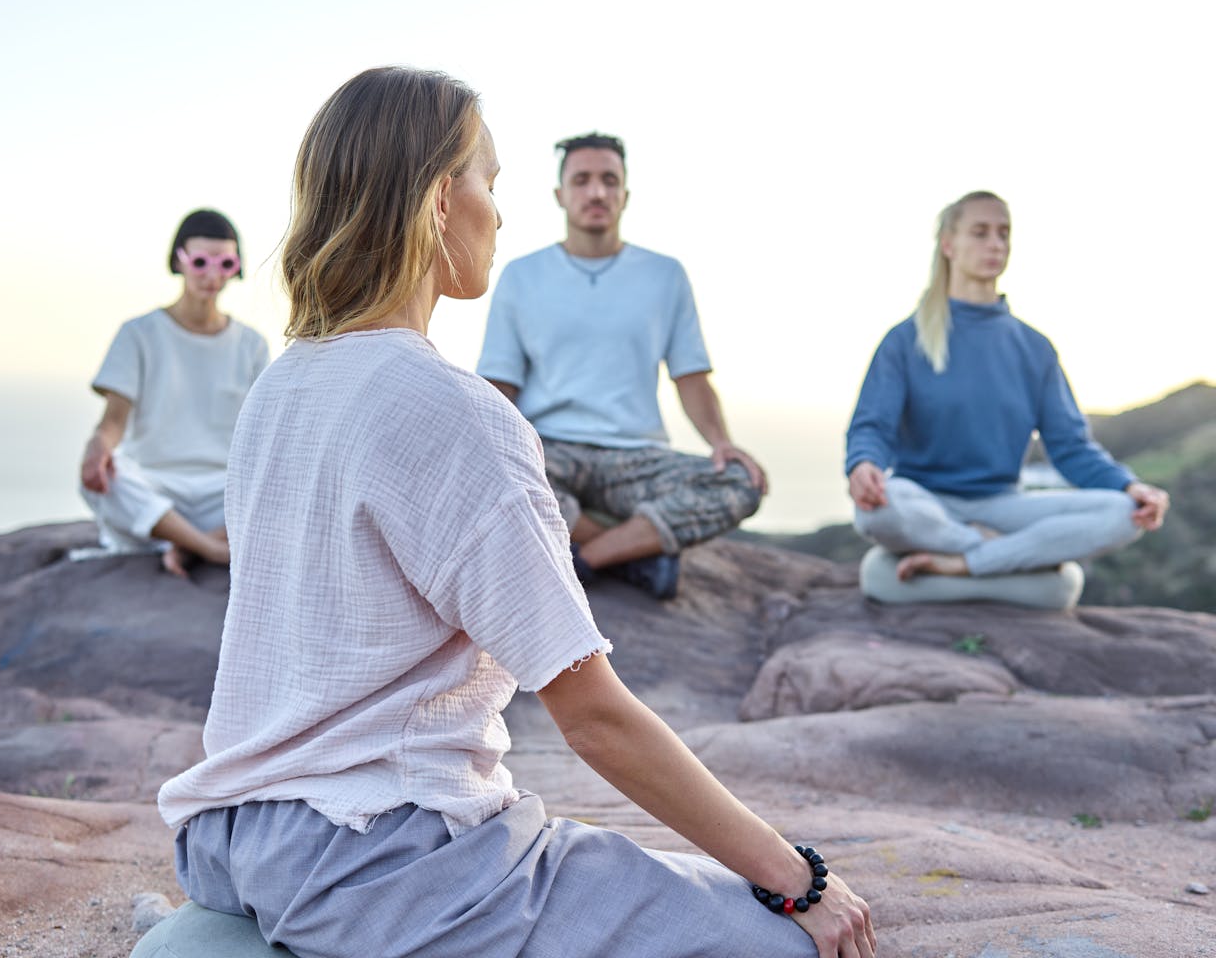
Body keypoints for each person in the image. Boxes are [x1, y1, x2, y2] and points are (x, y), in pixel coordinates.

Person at [155, 67, 875, 958]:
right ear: (436, 202)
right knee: (794, 944)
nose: (501, 210)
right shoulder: (450, 410)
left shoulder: (279, 386)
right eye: (489, 182)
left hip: (236, 840)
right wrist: (798, 877)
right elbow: (594, 718)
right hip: (384, 862)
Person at [475, 132, 765, 600]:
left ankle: (587, 557)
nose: (596, 192)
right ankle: (638, 552)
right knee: (496, 474)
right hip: (552, 452)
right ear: (560, 195)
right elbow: (499, 384)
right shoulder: (522, 276)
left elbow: (691, 376)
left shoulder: (664, 274)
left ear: (625, 194)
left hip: (637, 459)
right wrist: (486, 449)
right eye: (582, 180)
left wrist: (723, 443)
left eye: (609, 181)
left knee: (740, 483)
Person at [845, 190, 1169, 583]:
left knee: (1122, 514)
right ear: (948, 244)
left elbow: (1071, 447)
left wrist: (1130, 486)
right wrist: (864, 465)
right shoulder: (904, 340)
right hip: (926, 503)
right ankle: (995, 551)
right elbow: (872, 426)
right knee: (878, 508)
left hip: (1002, 505)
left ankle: (964, 561)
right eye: (980, 233)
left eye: (1003, 233)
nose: (995, 244)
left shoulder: (1034, 348)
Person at [79, 209, 268, 576]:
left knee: (292, 480)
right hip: (155, 484)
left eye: (225, 263)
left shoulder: (252, 345)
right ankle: (211, 549)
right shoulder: (138, 334)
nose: (212, 275)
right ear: (178, 261)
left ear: (236, 268)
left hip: (223, 492)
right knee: (104, 480)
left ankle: (184, 543)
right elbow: (114, 421)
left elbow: (263, 437)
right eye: (200, 262)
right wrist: (97, 445)